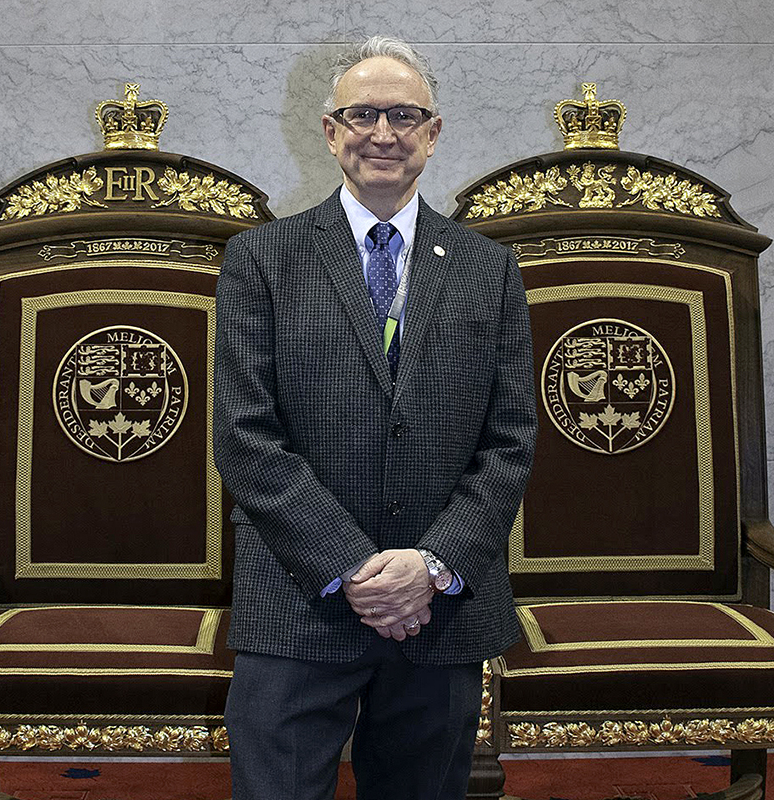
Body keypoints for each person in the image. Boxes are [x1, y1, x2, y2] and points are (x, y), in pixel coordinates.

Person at [213, 35, 537, 800]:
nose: (382, 133)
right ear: (330, 131)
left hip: (441, 607)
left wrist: (427, 567)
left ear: (433, 131)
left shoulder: (489, 268)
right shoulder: (261, 259)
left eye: (403, 115)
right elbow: (245, 436)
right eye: (362, 114)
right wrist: (352, 569)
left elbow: (512, 440)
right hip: (299, 600)